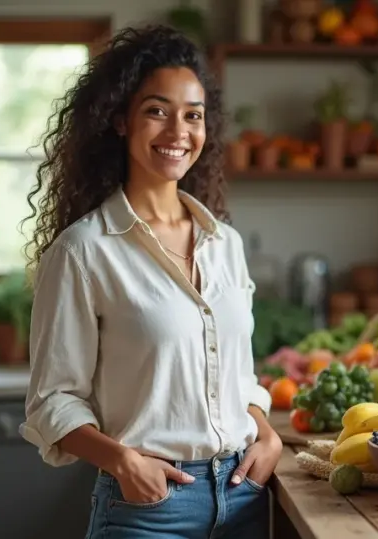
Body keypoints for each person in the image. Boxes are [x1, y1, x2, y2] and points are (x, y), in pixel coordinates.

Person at [19, 25, 282, 538]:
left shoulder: (225, 244)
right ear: (120, 120)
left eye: (193, 115)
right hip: (148, 510)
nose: (178, 131)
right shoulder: (84, 251)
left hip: (244, 497)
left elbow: (239, 378)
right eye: (157, 110)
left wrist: (267, 434)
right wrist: (122, 461)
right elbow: (52, 399)